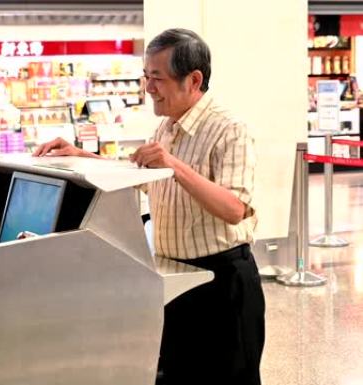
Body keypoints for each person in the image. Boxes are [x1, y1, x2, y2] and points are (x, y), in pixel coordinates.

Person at [34, 28, 264, 385]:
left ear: (194, 79)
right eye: (146, 76)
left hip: (223, 283)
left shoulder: (229, 130)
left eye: (157, 78)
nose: (148, 87)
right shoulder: (166, 128)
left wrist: (174, 166)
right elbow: (141, 176)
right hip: (174, 278)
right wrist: (81, 156)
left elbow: (235, 208)